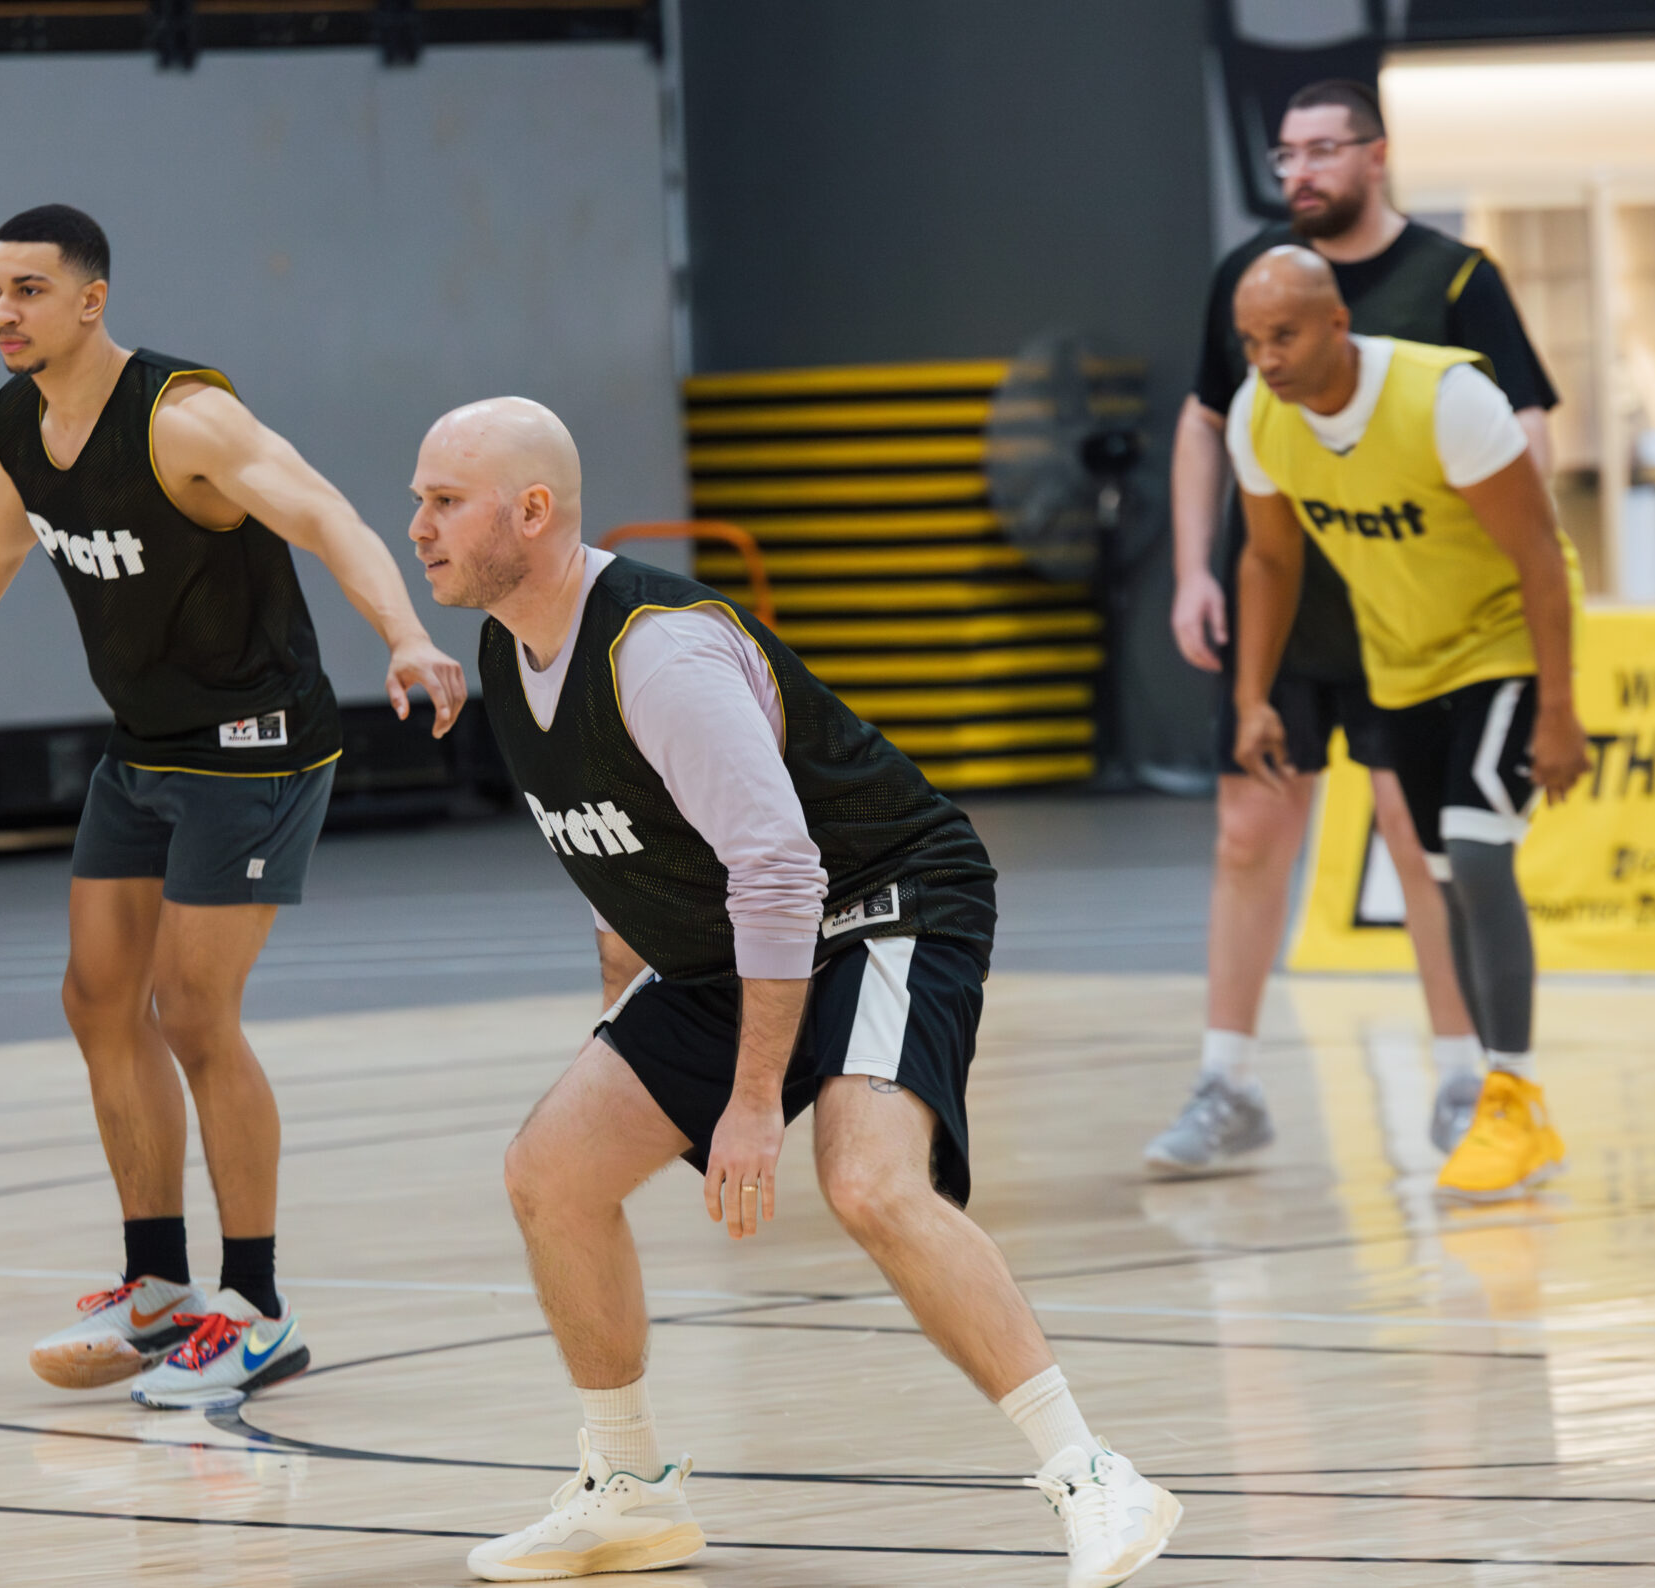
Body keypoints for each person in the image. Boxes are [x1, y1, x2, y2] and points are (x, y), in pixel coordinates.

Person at [411, 397, 1181, 1586]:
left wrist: (755, 1098)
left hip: (880, 897)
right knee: (550, 1170)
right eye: (419, 500)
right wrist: (622, 1035)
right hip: (734, 940)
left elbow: (781, 866)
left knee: (870, 1181)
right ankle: (627, 1489)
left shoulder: (656, 648)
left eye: (442, 500)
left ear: (532, 511)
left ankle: (1092, 1474)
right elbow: (619, 861)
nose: (416, 524)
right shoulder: (511, 654)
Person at [0, 206, 464, 1407]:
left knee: (192, 1009)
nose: (5, 312)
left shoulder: (183, 421)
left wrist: (410, 637)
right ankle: (158, 1286)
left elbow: (324, 513)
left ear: (91, 300)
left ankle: (259, 1305)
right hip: (148, 747)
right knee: (97, 997)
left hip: (257, 747)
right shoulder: (22, 420)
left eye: (30, 290)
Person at [1152, 77, 1562, 1176]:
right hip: (1291, 613)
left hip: (1417, 616)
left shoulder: (1453, 280)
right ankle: (1225, 1081)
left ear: (1373, 156)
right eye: (1285, 154)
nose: (1300, 173)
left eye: (1322, 150)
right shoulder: (1253, 289)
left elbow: (1524, 438)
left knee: (1417, 840)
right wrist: (1194, 568)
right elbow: (1207, 429)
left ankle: (1464, 1075)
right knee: (1246, 834)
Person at [1228, 247, 1584, 1203]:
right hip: (1403, 662)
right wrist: (1250, 697)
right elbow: (1268, 561)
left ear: (1338, 324)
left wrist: (1558, 709)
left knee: (1476, 856)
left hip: (1504, 643)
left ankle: (1510, 1094)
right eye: (1251, 341)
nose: (1266, 358)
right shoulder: (1257, 418)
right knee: (1442, 881)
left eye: (1285, 335)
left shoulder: (1444, 401)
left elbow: (1540, 555)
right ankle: (1500, 1100)